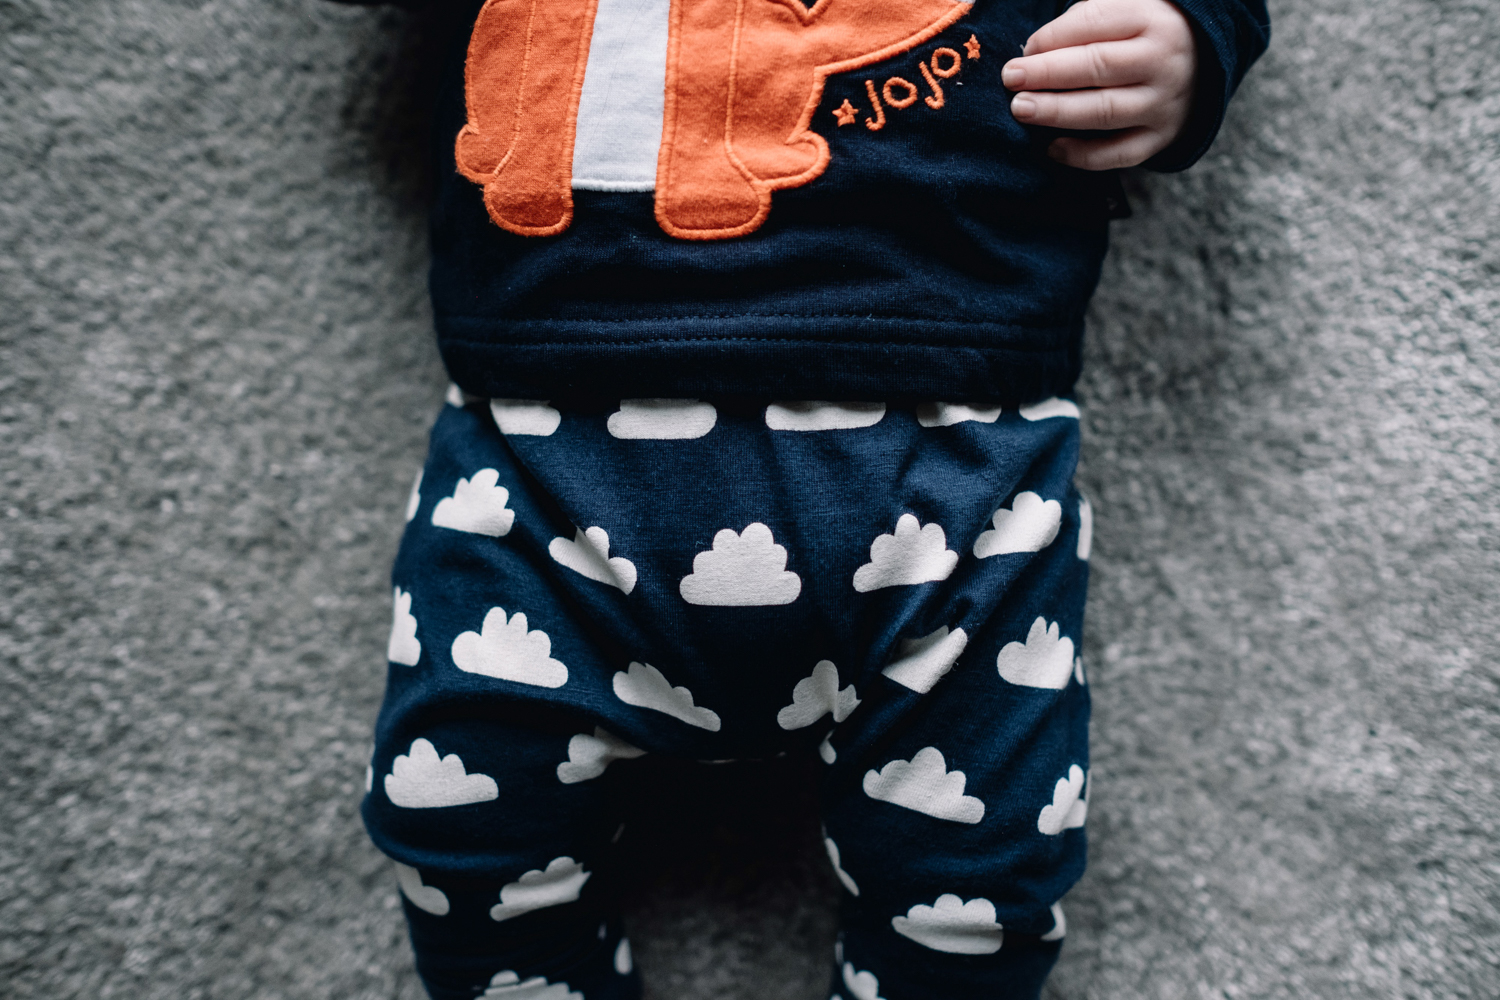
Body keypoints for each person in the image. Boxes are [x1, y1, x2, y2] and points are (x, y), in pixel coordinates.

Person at [340, 0, 1269, 995]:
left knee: (981, 895)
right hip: (535, 457)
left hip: (956, 452)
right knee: (459, 835)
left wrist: (1189, 42)